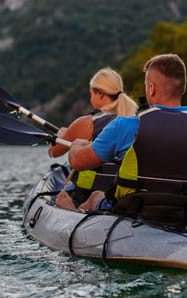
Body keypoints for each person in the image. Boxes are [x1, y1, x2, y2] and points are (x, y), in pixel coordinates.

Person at [68, 53, 187, 216]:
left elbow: (79, 162)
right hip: (183, 215)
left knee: (96, 196)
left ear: (151, 88)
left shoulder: (126, 126)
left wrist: (76, 146)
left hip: (133, 211)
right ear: (183, 89)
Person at [48, 67, 138, 208]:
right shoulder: (133, 121)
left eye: (91, 94)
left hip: (86, 194)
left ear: (100, 94)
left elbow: (54, 152)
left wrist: (61, 135)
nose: (91, 99)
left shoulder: (87, 123)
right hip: (119, 193)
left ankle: (73, 207)